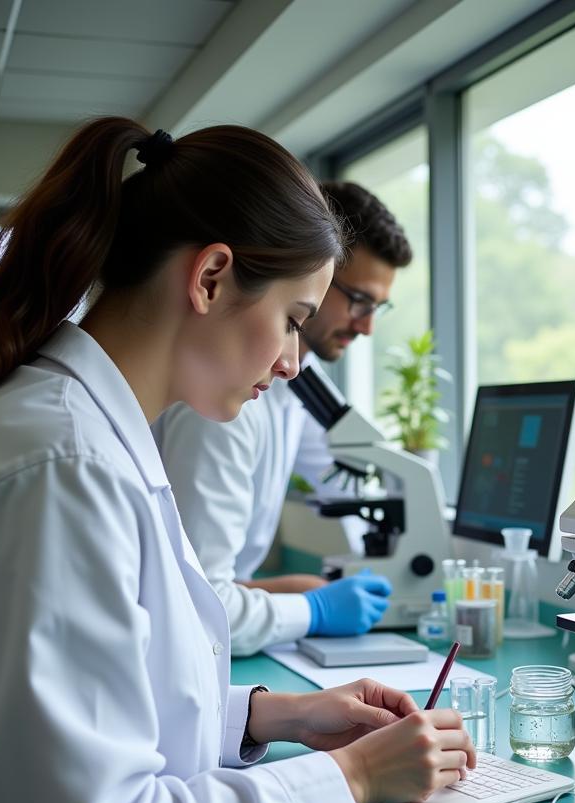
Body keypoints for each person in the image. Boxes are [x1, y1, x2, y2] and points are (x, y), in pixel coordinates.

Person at [0, 117, 475, 803]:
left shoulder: (92, 435)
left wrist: (278, 714)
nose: (291, 361)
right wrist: (353, 778)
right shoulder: (57, 469)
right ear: (209, 277)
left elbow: (104, 706)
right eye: (289, 319)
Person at [153, 182, 413, 655]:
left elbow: (341, 479)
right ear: (317, 270)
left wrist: (289, 591)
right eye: (360, 301)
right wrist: (314, 610)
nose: (368, 326)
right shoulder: (222, 399)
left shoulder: (302, 383)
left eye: (379, 308)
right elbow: (195, 605)